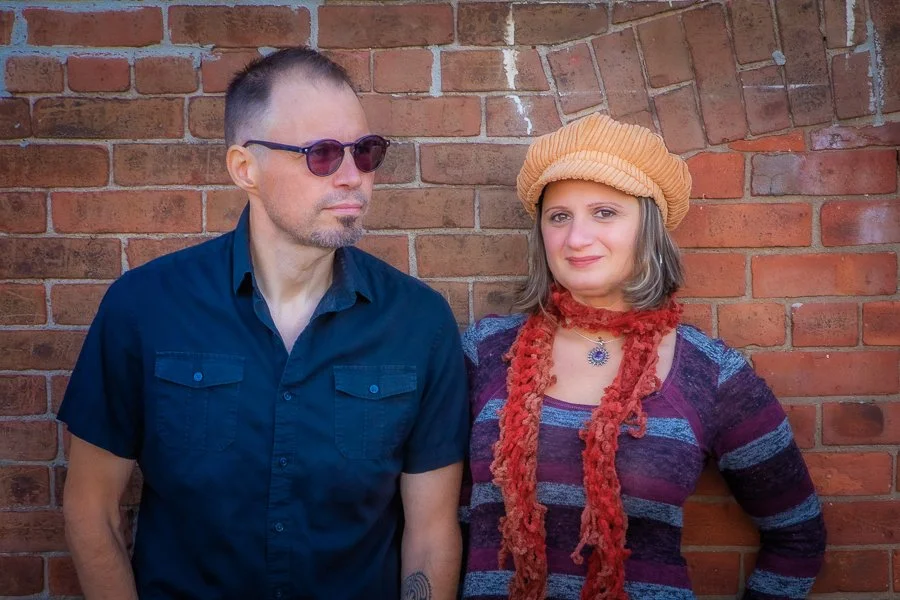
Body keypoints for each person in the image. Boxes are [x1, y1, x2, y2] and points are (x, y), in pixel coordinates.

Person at [58, 47, 467, 600]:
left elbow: (431, 533)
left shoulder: (418, 322)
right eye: (322, 154)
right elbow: (92, 508)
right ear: (245, 169)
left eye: (365, 151)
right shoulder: (145, 308)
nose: (352, 177)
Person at [459, 114, 826, 599]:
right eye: (559, 216)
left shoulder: (711, 374)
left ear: (648, 227)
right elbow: (433, 520)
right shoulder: (484, 353)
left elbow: (798, 534)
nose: (576, 238)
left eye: (604, 212)